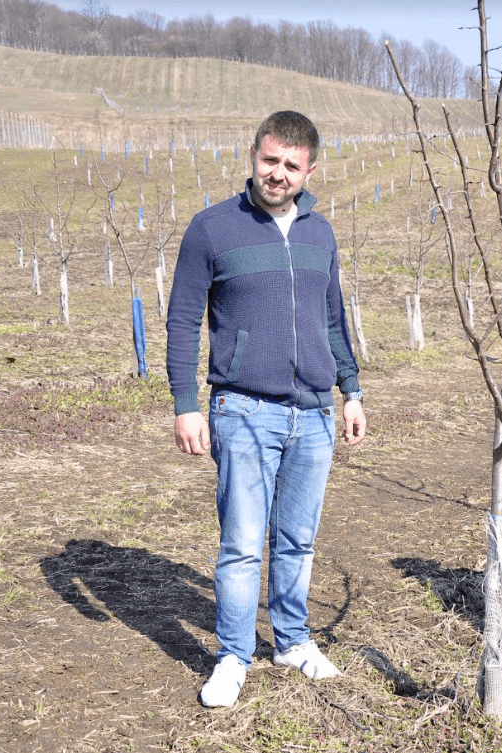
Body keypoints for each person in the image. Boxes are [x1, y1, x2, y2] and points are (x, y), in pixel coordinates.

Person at [166, 110, 367, 708]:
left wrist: (351, 391)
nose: (277, 174)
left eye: (291, 165)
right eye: (269, 160)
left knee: (297, 540)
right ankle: (232, 654)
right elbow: (181, 320)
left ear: (310, 170)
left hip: (314, 413)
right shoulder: (212, 229)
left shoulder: (320, 234)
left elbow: (332, 321)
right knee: (243, 542)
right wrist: (186, 405)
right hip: (243, 409)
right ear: (254, 155)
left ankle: (291, 640)